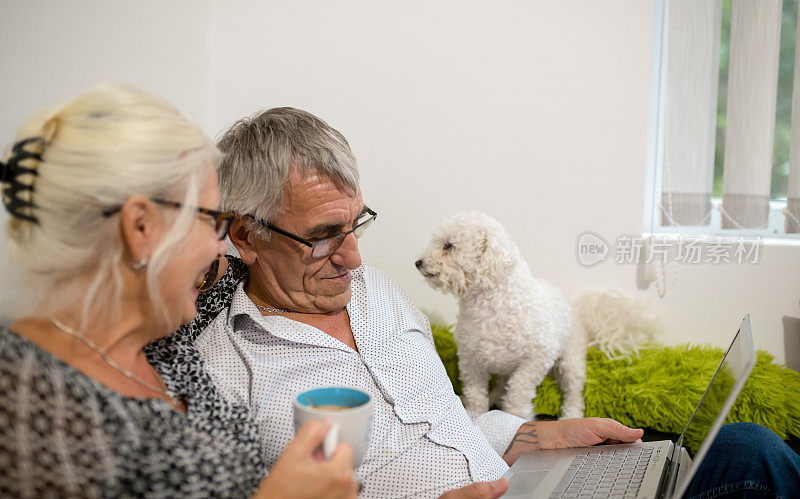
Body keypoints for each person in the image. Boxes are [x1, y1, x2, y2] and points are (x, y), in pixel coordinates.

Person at [175, 106, 800, 498]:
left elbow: (446, 421)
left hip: (519, 478)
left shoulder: (377, 294)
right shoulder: (221, 371)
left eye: (356, 223)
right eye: (320, 237)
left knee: (753, 448)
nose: (354, 257)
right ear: (245, 234)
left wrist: (538, 434)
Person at [0, 86, 359, 498]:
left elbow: (261, 260)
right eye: (211, 222)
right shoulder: (25, 388)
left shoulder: (167, 340)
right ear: (141, 229)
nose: (218, 246)